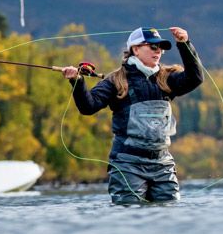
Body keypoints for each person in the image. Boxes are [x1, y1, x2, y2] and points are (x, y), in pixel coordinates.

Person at [61, 26, 203, 205]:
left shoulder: (167, 78)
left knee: (170, 216)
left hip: (163, 164)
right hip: (127, 165)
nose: (158, 50)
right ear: (135, 49)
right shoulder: (115, 81)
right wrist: (77, 81)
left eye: (160, 47)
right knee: (129, 214)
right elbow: (88, 106)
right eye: (152, 46)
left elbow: (195, 78)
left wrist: (184, 44)